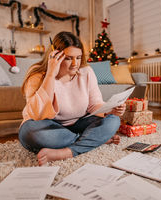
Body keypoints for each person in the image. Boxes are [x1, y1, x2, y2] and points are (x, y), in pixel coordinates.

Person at [19, 31, 126, 166]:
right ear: (55, 56)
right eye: (69, 58)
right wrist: (51, 74)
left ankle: (68, 151)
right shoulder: (37, 74)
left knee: (113, 120)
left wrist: (110, 110)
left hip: (79, 123)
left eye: (79, 57)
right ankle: (94, 139)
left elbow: (95, 104)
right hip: (50, 126)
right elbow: (35, 114)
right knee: (29, 133)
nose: (75, 64)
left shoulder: (86, 72)